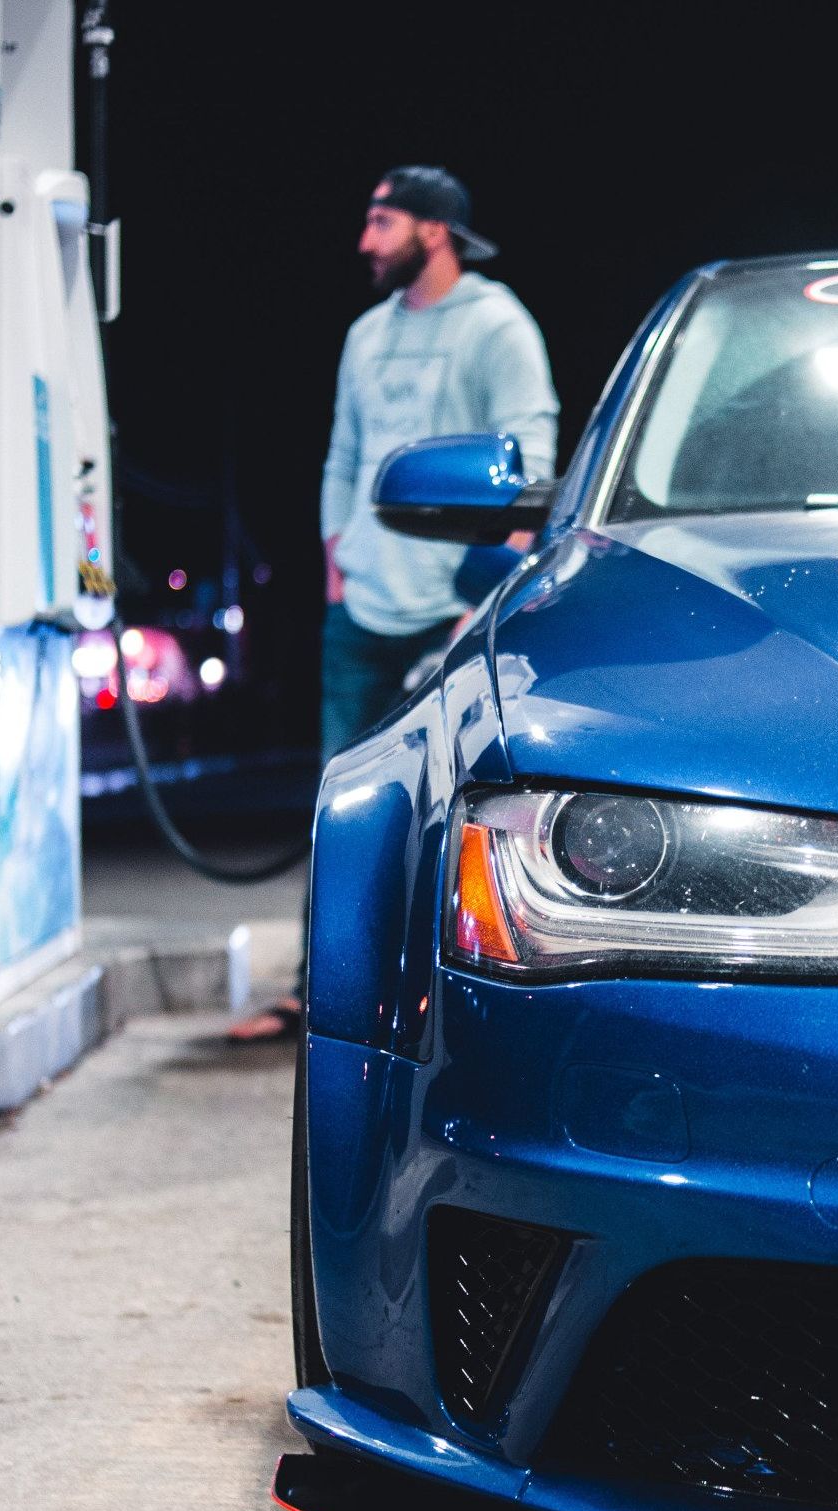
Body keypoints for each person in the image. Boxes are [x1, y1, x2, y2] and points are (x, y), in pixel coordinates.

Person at [228, 166, 558, 1041]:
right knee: (342, 807)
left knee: (452, 810)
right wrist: (339, 559)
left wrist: (490, 587)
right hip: (364, 609)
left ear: (435, 231)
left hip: (452, 610)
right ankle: (320, 995)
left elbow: (530, 453)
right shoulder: (367, 334)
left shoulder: (495, 324)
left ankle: (433, 1008)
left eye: (382, 222)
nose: (365, 241)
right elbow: (344, 454)